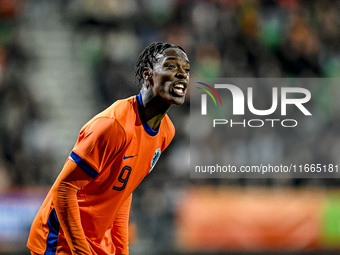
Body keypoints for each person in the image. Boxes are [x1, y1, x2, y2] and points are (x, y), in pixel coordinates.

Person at [27, 42, 190, 255]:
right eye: (171, 67)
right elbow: (64, 189)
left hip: (96, 242)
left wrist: (121, 249)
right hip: (59, 242)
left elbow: (123, 190)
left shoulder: (166, 131)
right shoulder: (114, 125)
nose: (182, 75)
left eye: (186, 70)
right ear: (148, 75)